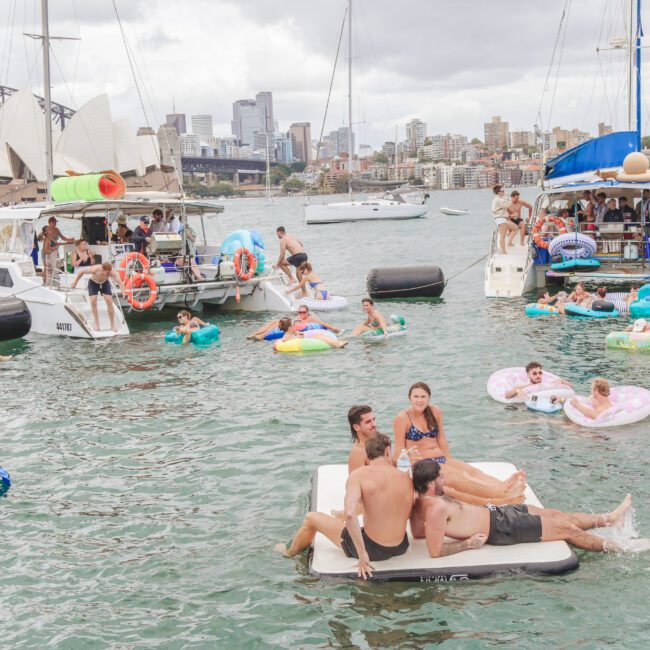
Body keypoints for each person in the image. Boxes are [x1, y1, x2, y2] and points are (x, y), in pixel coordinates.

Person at [410, 459, 637, 555]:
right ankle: (619, 548)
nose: (445, 479)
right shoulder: (435, 508)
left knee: (556, 514)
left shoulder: (423, 501)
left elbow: (420, 532)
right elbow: (435, 551)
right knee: (565, 529)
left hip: (498, 514)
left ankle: (610, 518)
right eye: (441, 477)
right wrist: (468, 543)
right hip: (502, 529)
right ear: (430, 484)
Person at [276, 434, 413, 579]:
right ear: (387, 451)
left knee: (311, 519)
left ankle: (289, 553)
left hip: (373, 549)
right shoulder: (404, 477)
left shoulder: (359, 475)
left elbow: (350, 514)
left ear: (367, 454)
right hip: (401, 546)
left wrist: (362, 554)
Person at [393, 382, 526, 506]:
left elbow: (441, 439)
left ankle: (503, 485)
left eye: (423, 396)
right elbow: (398, 453)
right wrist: (405, 460)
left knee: (471, 471)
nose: (419, 400)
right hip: (423, 464)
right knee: (459, 478)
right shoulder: (402, 418)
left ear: (429, 398)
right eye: (416, 396)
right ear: (409, 397)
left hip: (440, 458)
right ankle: (501, 494)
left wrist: (449, 460)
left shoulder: (435, 412)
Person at [70, 261, 126, 332]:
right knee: (93, 301)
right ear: (102, 269)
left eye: (108, 272)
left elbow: (120, 282)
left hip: (104, 283)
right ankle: (97, 324)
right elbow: (81, 272)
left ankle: (112, 325)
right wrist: (74, 282)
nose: (106, 274)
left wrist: (123, 293)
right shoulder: (95, 269)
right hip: (93, 282)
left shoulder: (112, 272)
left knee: (109, 301)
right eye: (105, 272)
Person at [247, 304, 341, 340]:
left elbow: (323, 324)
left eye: (304, 312)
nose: (302, 314)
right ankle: (255, 333)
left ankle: (261, 336)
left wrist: (334, 328)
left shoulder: (311, 319)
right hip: (291, 326)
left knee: (277, 322)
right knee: (273, 321)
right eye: (300, 312)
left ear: (308, 312)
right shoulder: (297, 317)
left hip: (296, 328)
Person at [504, 361, 572, 400]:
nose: (538, 376)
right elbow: (507, 396)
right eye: (534, 374)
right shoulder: (523, 388)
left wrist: (562, 381)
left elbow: (570, 387)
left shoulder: (548, 384)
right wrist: (517, 391)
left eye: (540, 373)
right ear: (528, 375)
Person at [37, 216, 74, 284]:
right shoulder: (45, 230)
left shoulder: (56, 229)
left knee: (54, 265)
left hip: (54, 249)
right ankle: (45, 283)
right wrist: (43, 235)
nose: (55, 224)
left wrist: (70, 240)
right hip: (46, 250)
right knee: (46, 268)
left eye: (55, 222)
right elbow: (39, 239)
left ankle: (52, 281)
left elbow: (63, 238)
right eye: (54, 222)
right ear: (50, 222)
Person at [275, 318, 348, 349]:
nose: (295, 326)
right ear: (290, 328)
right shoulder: (287, 337)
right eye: (293, 325)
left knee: (319, 335)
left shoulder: (292, 333)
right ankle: (337, 344)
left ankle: (336, 343)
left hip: (318, 335)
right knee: (318, 336)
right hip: (314, 338)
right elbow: (283, 341)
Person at [347, 405, 378, 473]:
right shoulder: (358, 453)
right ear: (356, 427)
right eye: (368, 422)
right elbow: (355, 482)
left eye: (374, 419)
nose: (374, 424)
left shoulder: (377, 444)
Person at [491, 185, 518, 254]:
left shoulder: (500, 199)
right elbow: (507, 205)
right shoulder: (497, 200)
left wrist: (506, 196)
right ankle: (504, 251)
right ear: (498, 192)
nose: (504, 192)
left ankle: (509, 242)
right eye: (502, 191)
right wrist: (508, 197)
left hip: (503, 218)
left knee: (515, 228)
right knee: (502, 236)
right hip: (500, 218)